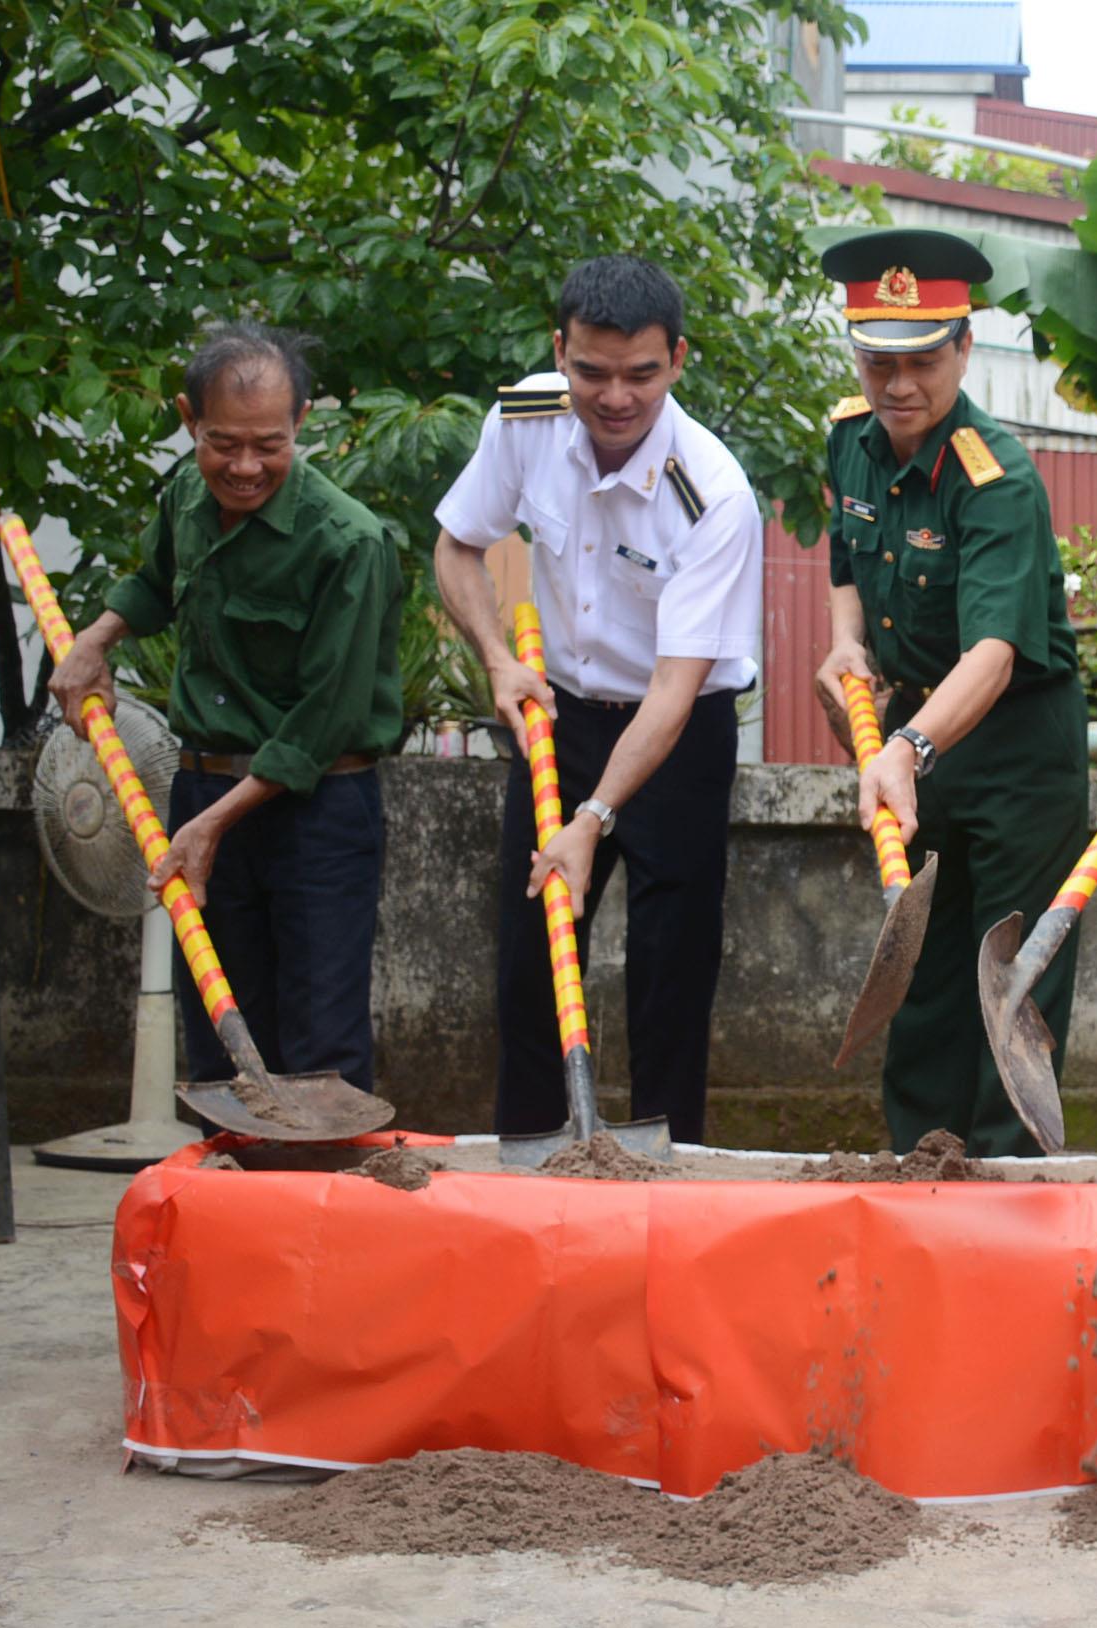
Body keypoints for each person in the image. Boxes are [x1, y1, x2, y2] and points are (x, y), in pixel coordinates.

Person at [433, 255, 761, 1144]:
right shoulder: (526, 417)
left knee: (668, 975)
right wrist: (499, 659)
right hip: (560, 719)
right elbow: (457, 547)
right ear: (560, 352)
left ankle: (666, 1176)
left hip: (678, 736)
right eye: (592, 372)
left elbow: (673, 687)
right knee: (533, 967)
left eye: (641, 375)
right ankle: (533, 1167)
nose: (615, 397)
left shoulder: (714, 493)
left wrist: (593, 818)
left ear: (678, 360)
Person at [49, 322, 404, 1095]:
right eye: (222, 443)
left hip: (317, 810)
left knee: (318, 1047)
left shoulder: (349, 542)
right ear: (189, 420)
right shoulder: (186, 494)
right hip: (203, 790)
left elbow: (322, 722)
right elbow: (151, 583)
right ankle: (229, 1205)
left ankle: (318, 1210)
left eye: (268, 446)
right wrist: (95, 641)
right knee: (220, 1036)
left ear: (301, 422)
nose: (244, 468)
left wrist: (210, 827)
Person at [813, 228, 1089, 1157]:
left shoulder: (994, 475)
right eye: (878, 360)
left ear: (964, 349)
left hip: (1012, 744)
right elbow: (848, 560)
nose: (898, 386)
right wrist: (846, 644)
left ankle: (1010, 1180)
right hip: (921, 735)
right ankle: (920, 1161)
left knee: (1006, 976)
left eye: (922, 361)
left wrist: (906, 749)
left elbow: (996, 655)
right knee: (923, 966)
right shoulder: (849, 441)